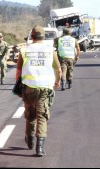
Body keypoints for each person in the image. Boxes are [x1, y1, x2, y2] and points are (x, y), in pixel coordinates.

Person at [16, 25, 62, 157]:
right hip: (44, 88)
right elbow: (58, 70)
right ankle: (39, 148)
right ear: (43, 37)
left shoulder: (24, 50)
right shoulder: (50, 51)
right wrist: (57, 81)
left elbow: (18, 72)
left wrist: (18, 86)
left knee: (30, 114)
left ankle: (30, 140)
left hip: (28, 87)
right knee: (41, 116)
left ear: (31, 36)